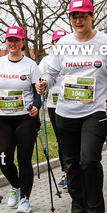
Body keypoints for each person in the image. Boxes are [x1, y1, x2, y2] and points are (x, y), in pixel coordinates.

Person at [37, 0, 107, 213]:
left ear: (91, 16)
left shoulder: (106, 42)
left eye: (83, 16)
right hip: (65, 112)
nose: (78, 21)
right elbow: (53, 72)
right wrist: (45, 82)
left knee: (89, 160)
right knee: (72, 164)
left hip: (95, 110)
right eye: (74, 17)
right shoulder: (63, 44)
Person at [0, 25, 42, 213]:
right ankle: (16, 186)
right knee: (3, 158)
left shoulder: (31, 65)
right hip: (3, 118)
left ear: (23, 42)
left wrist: (36, 106)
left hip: (25, 118)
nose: (13, 43)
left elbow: (38, 92)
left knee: (24, 159)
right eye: (10, 40)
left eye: (17, 40)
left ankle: (25, 199)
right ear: (6, 42)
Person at [44, 28, 68, 188]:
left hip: (72, 104)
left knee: (71, 139)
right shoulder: (46, 61)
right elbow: (40, 78)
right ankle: (66, 173)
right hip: (53, 105)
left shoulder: (73, 59)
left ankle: (76, 169)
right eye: (56, 42)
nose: (58, 45)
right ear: (52, 44)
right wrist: (40, 85)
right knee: (61, 140)